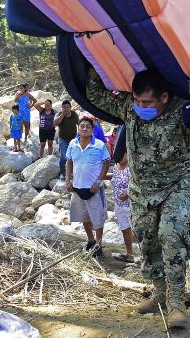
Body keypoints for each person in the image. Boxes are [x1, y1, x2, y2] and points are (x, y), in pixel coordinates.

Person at [85, 61, 190, 328]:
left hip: (177, 187)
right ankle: (159, 293)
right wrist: (93, 57)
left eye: (147, 102)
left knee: (172, 236)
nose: (140, 107)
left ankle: (176, 302)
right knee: (148, 242)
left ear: (164, 97)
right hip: (142, 191)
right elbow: (95, 95)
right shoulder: (128, 107)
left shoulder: (181, 111)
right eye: (137, 101)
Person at [66, 116, 112, 258]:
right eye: (82, 126)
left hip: (94, 188)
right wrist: (68, 180)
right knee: (84, 216)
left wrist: (98, 182)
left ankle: (99, 244)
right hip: (77, 187)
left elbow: (106, 163)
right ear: (78, 128)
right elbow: (69, 162)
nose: (84, 128)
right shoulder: (73, 144)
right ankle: (90, 240)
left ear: (93, 129)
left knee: (97, 218)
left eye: (88, 126)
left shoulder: (99, 145)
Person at [103, 152, 135, 263]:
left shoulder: (132, 167)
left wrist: (127, 194)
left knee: (136, 230)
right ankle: (129, 254)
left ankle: (145, 257)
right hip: (119, 204)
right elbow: (115, 176)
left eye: (122, 154)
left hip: (132, 205)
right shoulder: (116, 166)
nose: (119, 157)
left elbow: (138, 183)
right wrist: (101, 176)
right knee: (125, 229)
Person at [55, 100, 80, 178]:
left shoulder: (74, 114)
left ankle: (71, 172)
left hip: (73, 139)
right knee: (64, 157)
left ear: (70, 107)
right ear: (61, 108)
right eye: (64, 107)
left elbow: (79, 124)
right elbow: (55, 123)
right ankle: (63, 173)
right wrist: (63, 114)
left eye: (67, 107)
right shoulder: (59, 114)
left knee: (73, 156)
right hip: (63, 139)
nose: (66, 109)